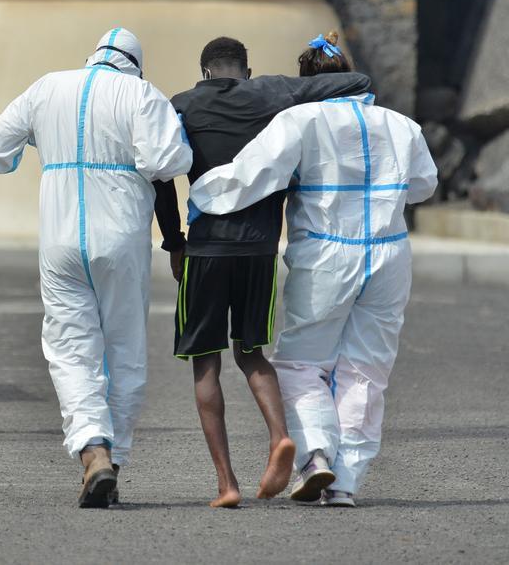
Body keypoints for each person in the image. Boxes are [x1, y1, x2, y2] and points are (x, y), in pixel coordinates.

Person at [0, 28, 194, 508]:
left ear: (93, 57)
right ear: (134, 65)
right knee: (124, 349)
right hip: (121, 239)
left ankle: (92, 451)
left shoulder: (47, 87)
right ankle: (113, 458)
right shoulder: (141, 93)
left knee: (70, 350)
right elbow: (167, 161)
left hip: (59, 240)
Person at [186, 31, 438, 507]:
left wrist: (200, 194)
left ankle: (317, 455)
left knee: (301, 363)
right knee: (367, 369)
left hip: (326, 253)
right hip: (389, 252)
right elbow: (423, 186)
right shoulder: (403, 126)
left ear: (310, 83)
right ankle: (345, 483)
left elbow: (252, 175)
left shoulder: (301, 118)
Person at [153, 37, 372, 508]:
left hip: (206, 249)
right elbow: (357, 81)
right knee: (251, 353)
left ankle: (227, 483)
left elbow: (161, 177)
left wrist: (173, 241)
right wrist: (311, 71)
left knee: (205, 362)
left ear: (204, 70)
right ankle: (278, 439)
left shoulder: (183, 105)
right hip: (259, 250)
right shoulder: (272, 93)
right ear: (247, 71)